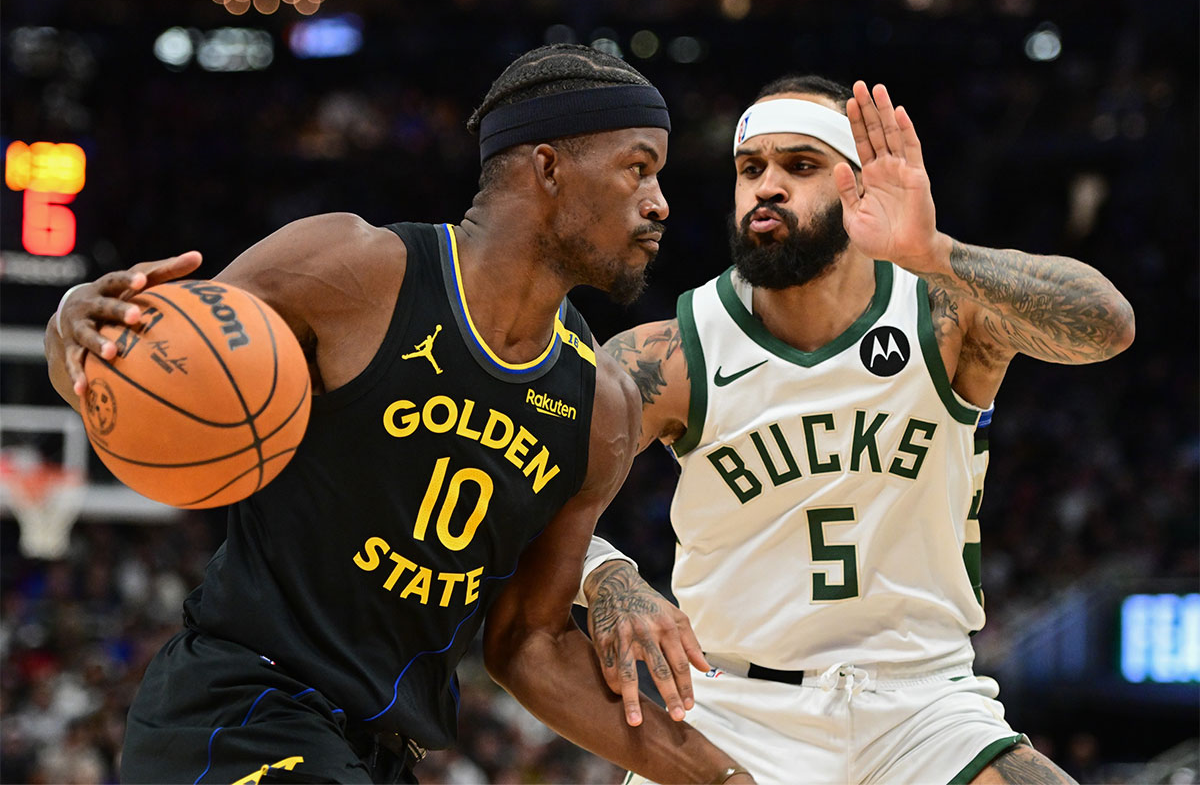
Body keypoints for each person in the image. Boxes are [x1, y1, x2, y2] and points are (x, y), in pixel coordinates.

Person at [45, 44, 753, 785]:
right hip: (239, 706)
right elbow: (151, 374)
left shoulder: (599, 409)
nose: (660, 201)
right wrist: (75, 331)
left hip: (379, 756)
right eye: (638, 167)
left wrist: (723, 777)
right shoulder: (354, 271)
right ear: (547, 168)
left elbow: (529, 645)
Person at [581, 75, 1135, 784]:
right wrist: (606, 574)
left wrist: (937, 251)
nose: (767, 187)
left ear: (859, 189)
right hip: (736, 706)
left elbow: (1108, 327)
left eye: (800, 166)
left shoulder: (946, 314)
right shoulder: (670, 355)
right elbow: (523, 500)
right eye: (752, 169)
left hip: (923, 704)